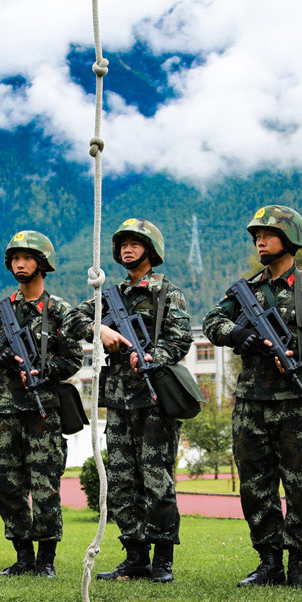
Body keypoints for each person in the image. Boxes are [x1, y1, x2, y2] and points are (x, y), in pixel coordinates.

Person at [203, 205, 302, 589]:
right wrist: (238, 335)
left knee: (300, 483)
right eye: (257, 237)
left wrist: (300, 350)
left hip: (295, 399)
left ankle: (299, 563)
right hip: (251, 401)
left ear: (290, 239)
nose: (260, 241)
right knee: (255, 485)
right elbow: (213, 322)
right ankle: (268, 561)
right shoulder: (245, 290)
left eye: (268, 235)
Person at [63, 219, 192, 583]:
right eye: (123, 244)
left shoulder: (167, 293)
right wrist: (99, 328)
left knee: (157, 479)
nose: (127, 249)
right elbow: (71, 319)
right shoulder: (109, 295)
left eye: (135, 243)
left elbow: (181, 338)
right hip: (119, 402)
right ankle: (135, 557)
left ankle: (162, 559)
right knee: (121, 481)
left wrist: (153, 356)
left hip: (155, 398)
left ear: (150, 250)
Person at [0, 231, 84, 577]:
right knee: (7, 485)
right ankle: (23, 557)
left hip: (45, 410)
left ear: (42, 264)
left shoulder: (59, 311)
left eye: (27, 257)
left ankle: (46, 560)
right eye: (15, 258)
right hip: (6, 411)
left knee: (45, 485)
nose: (19, 264)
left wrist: (46, 370)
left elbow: (74, 358)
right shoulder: (2, 311)